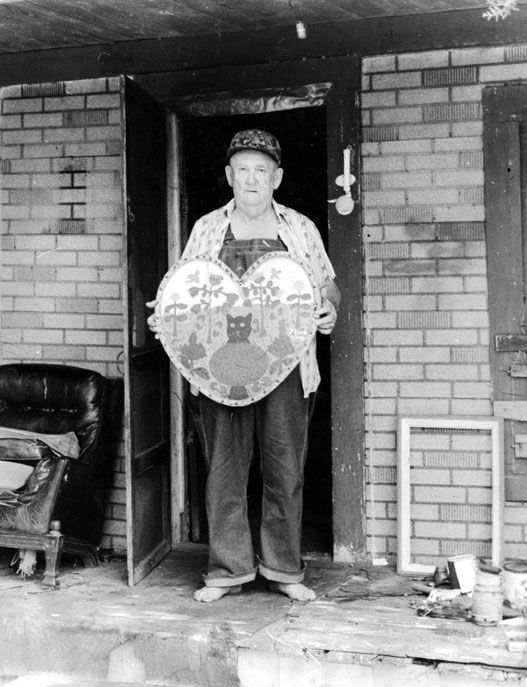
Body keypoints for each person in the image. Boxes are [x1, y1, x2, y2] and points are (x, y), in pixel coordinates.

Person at [173, 129, 339, 603]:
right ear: (229, 176)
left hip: (287, 365)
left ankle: (284, 569)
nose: (251, 179)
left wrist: (329, 307)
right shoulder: (207, 228)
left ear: (277, 177)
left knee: (284, 467)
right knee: (224, 469)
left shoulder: (300, 228)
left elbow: (328, 283)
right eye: (242, 170)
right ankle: (228, 570)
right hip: (221, 368)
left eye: (261, 171)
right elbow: (185, 288)